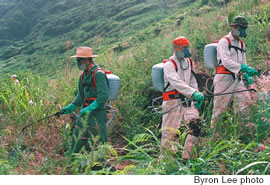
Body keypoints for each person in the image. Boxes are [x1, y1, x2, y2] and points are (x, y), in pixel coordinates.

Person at [211, 16, 259, 129]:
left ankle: (245, 133)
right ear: (234, 27)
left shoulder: (241, 44)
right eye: (242, 28)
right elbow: (226, 61)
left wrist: (246, 74)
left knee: (245, 106)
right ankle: (214, 136)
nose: (243, 31)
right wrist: (243, 68)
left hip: (237, 79)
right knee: (219, 110)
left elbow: (243, 61)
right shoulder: (224, 42)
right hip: (224, 78)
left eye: (245, 28)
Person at [161, 36, 204, 160]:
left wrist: (196, 95)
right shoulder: (169, 65)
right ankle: (166, 161)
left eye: (188, 47)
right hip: (172, 101)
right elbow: (176, 82)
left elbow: (192, 79)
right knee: (169, 132)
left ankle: (188, 158)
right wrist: (192, 93)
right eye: (184, 48)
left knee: (195, 125)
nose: (187, 50)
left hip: (188, 101)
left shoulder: (189, 62)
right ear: (176, 48)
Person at [61, 47, 109, 154]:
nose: (78, 63)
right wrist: (70, 107)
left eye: (80, 60)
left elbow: (103, 96)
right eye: (77, 60)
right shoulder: (83, 76)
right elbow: (80, 97)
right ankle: (73, 162)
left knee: (98, 138)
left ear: (87, 60)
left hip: (97, 113)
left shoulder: (98, 74)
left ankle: (100, 164)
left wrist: (90, 108)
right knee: (78, 136)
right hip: (85, 112)